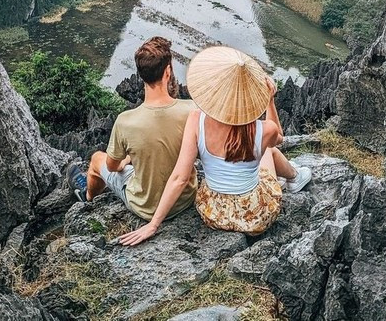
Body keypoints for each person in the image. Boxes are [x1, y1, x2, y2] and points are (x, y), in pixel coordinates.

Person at [118, 45, 311, 246]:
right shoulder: (263, 130)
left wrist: (153, 224)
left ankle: (294, 177)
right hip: (254, 216)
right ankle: (294, 178)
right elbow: (278, 137)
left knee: (265, 151)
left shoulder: (196, 120)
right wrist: (270, 101)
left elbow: (180, 177)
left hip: (214, 212)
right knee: (270, 150)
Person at [67, 36, 198, 221]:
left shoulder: (125, 121)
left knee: (97, 159)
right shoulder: (193, 110)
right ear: (168, 72)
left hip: (145, 207)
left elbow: (112, 166)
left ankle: (87, 196)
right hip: (184, 200)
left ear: (140, 75)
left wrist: (127, 159)